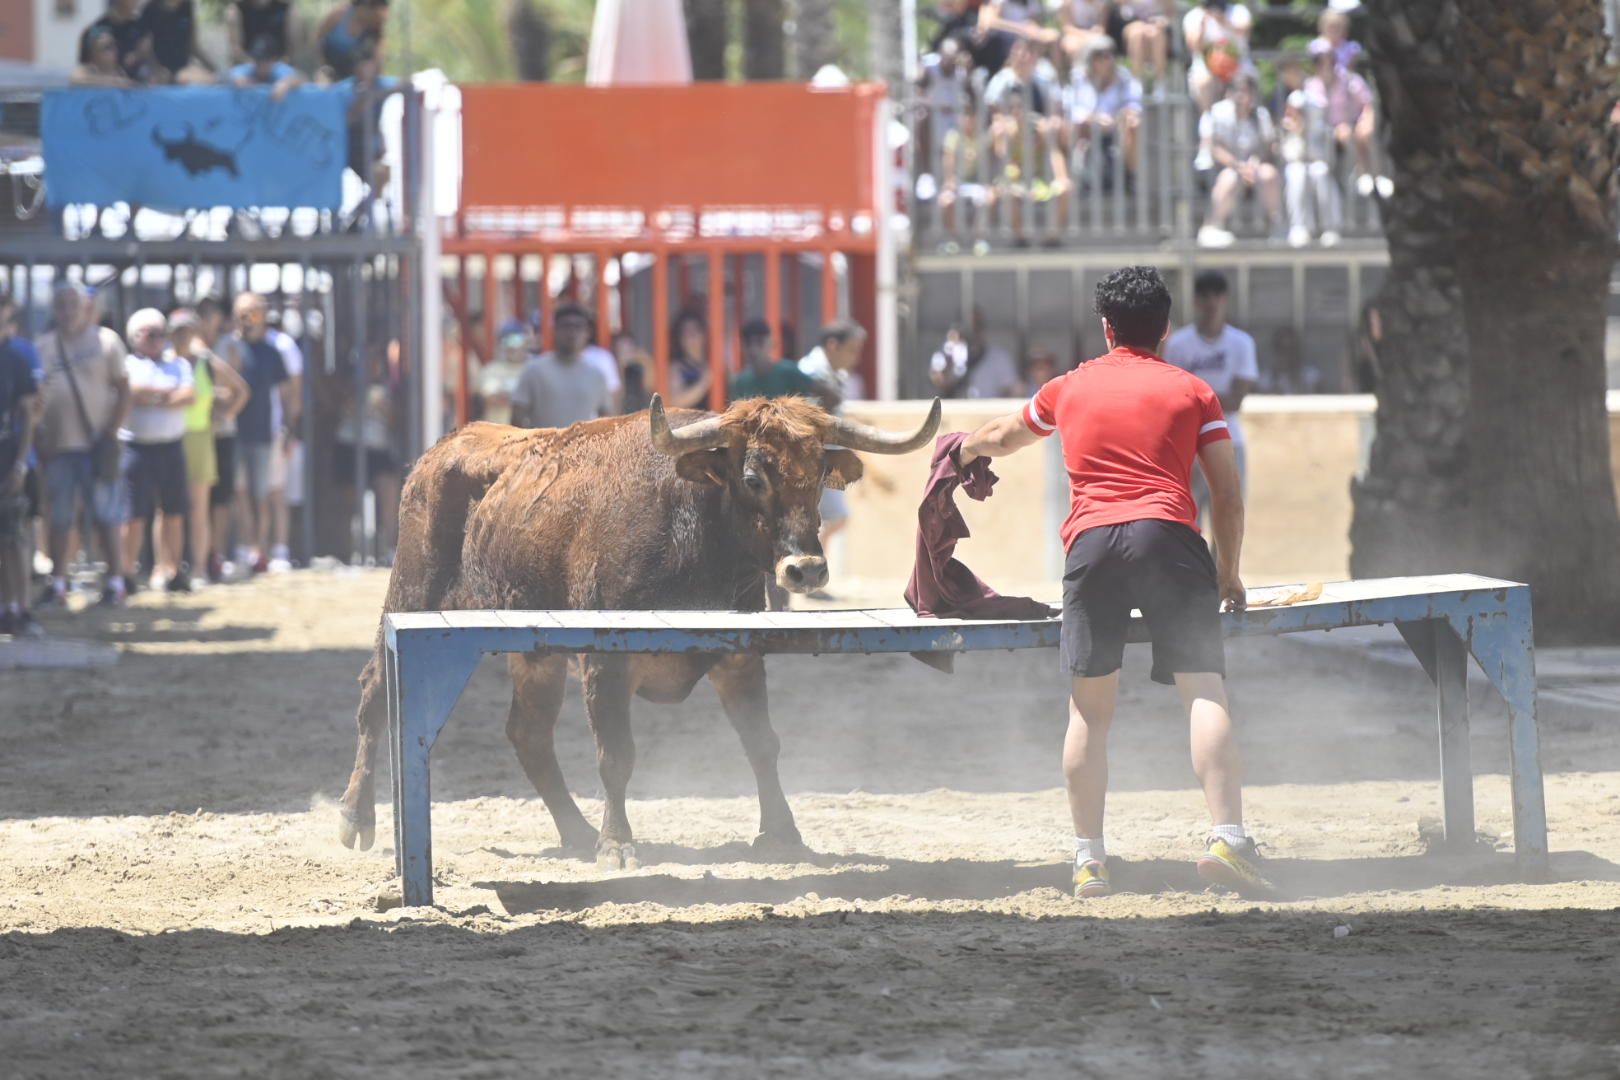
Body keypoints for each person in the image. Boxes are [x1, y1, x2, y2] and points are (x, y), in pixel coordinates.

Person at [954, 265, 1264, 900]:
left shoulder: (1067, 388)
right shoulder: (1194, 391)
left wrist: (956, 454)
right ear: (1167, 328)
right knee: (1204, 692)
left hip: (1092, 546)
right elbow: (1227, 498)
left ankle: (1089, 859)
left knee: (1089, 715)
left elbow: (1003, 437)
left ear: (1106, 328)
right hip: (1169, 538)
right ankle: (1229, 839)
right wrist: (1226, 573)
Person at [35, 283, 130, 609]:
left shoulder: (106, 342)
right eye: (60, 305)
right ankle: (58, 583)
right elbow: (36, 397)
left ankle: (116, 583)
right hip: (59, 447)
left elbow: (124, 389)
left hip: (97, 444)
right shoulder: (45, 346)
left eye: (72, 304)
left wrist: (112, 431)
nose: (66, 311)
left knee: (107, 516)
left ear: (85, 307)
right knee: (59, 518)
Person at [1164, 271, 1258, 527]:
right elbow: (1174, 398)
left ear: (1225, 299)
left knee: (1228, 518)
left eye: (1216, 295)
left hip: (1230, 439)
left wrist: (1196, 397)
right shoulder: (1179, 344)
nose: (1211, 302)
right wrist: (1213, 399)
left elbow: (1236, 400)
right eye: (1205, 296)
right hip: (1189, 444)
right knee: (1188, 520)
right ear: (1196, 301)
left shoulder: (1241, 343)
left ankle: (1225, 570)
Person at [171, 309, 248, 589]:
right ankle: (168, 567)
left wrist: (224, 414)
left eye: (186, 330)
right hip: (170, 438)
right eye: (176, 331)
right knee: (169, 510)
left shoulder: (205, 362)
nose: (181, 336)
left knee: (200, 508)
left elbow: (241, 389)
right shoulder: (166, 362)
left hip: (201, 437)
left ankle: (200, 568)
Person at [119, 309, 194, 592]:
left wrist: (150, 396)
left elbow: (188, 395)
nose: (156, 340)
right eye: (149, 334)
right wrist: (165, 394)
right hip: (137, 449)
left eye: (160, 334)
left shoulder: (178, 365)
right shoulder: (128, 364)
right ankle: (126, 573)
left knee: (173, 512)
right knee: (133, 514)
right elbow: (131, 392)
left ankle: (171, 569)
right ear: (135, 336)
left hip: (171, 447)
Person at [230, 292, 298, 575]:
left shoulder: (273, 352)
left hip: (266, 433)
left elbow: (286, 395)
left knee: (265, 495)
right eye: (243, 313)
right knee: (240, 494)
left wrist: (290, 432)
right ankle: (247, 549)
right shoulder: (230, 349)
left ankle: (264, 550)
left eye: (253, 312)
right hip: (233, 433)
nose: (248, 319)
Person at [798, 319, 867, 551]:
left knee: (832, 518)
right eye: (851, 350)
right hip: (814, 459)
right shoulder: (810, 373)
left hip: (828, 457)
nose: (855, 358)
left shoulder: (833, 373)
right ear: (833, 345)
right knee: (832, 517)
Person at [1196, 75, 1281, 247]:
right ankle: (1213, 225)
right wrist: (1238, 166)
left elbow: (1268, 145)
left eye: (1247, 93)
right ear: (1229, 94)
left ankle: (1278, 226)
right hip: (1224, 168)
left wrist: (1254, 163)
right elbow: (1214, 147)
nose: (1242, 97)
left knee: (1270, 174)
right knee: (1230, 177)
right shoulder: (1218, 112)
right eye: (1239, 92)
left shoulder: (1260, 115)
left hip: (1253, 167)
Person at [0, 298, 42, 638]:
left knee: (14, 536)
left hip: (7, 455)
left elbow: (29, 414)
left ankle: (20, 608)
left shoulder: (16, 358)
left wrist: (20, 465)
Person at [1304, 37, 1381, 200]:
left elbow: (1367, 103)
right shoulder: (1311, 85)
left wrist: (1366, 121)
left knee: (1360, 133)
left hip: (1351, 125)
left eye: (1329, 60)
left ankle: (1369, 175)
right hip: (1324, 133)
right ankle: (1355, 176)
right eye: (1319, 61)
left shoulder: (1349, 80)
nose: (1325, 65)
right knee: (1343, 133)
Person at [510, 304, 611, 429]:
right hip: (543, 447)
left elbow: (607, 421)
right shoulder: (534, 370)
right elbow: (517, 417)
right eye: (566, 327)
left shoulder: (596, 375)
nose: (572, 333)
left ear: (587, 333)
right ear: (555, 330)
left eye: (578, 328)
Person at [1069, 37, 1143, 186]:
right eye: (1098, 56)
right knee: (1075, 126)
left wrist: (1121, 116)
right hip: (1088, 129)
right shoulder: (1078, 78)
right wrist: (1094, 119)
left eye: (1107, 55)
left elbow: (1133, 104)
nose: (1104, 60)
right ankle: (1078, 176)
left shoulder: (1124, 78)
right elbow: (1073, 109)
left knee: (1133, 124)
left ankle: (1131, 176)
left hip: (1116, 129)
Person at [728, 318, 824, 404]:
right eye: (748, 344)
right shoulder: (741, 382)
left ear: (771, 343)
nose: (754, 350)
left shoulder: (788, 372)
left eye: (760, 342)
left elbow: (827, 394)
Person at [929, 311, 1021, 399]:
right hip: (956, 411)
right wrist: (950, 356)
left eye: (976, 327)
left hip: (988, 412)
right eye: (967, 328)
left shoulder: (999, 358)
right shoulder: (947, 352)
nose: (972, 333)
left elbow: (1013, 390)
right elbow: (937, 379)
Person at [1182, 0, 1252, 113]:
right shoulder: (1194, 16)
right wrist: (1203, 24)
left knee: (1243, 86)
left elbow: (1244, 31)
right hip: (1206, 66)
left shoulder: (1238, 11)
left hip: (1238, 65)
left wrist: (1223, 21)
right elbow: (1193, 47)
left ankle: (1242, 123)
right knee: (1204, 82)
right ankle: (1208, 120)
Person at [78, 0, 155, 84]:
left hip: (139, 90)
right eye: (108, 47)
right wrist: (115, 82)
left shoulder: (141, 30)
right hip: (101, 89)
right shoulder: (96, 30)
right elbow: (79, 76)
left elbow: (153, 67)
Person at [141, 0, 214, 84]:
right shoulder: (150, 9)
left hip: (183, 72)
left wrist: (212, 69)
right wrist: (157, 70)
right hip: (157, 74)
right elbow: (144, 50)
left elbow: (193, 46)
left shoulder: (187, 6)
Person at [316, 0, 390, 82]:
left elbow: (377, 60)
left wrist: (370, 70)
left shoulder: (374, 29)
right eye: (375, 16)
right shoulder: (339, 14)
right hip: (326, 70)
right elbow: (317, 40)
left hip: (351, 78)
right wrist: (321, 66)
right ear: (366, 7)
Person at [478, 320, 528, 425]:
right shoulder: (492, 370)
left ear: (525, 342)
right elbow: (491, 398)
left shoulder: (532, 369)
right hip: (498, 435)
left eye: (517, 340)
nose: (512, 346)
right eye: (507, 341)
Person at [226, 34, 304, 99]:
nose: (260, 64)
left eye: (264, 60)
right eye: (257, 59)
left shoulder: (278, 69)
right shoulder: (249, 68)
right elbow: (230, 75)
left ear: (273, 60)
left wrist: (286, 83)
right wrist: (237, 80)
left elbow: (300, 78)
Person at [666, 311, 714, 410]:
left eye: (695, 331)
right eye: (685, 333)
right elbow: (675, 401)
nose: (691, 336)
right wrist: (704, 383)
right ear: (679, 339)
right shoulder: (676, 368)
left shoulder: (713, 362)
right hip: (691, 424)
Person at [227, 0, 295, 65]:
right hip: (247, 66)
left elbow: (293, 47)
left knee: (296, 77)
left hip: (281, 65)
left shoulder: (286, 8)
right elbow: (235, 48)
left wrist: (276, 65)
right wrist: (257, 66)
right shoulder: (236, 10)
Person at [72, 25, 137, 86]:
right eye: (107, 47)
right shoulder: (86, 70)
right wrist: (114, 82)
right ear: (94, 53)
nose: (113, 50)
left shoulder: (121, 72)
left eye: (114, 45)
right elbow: (75, 80)